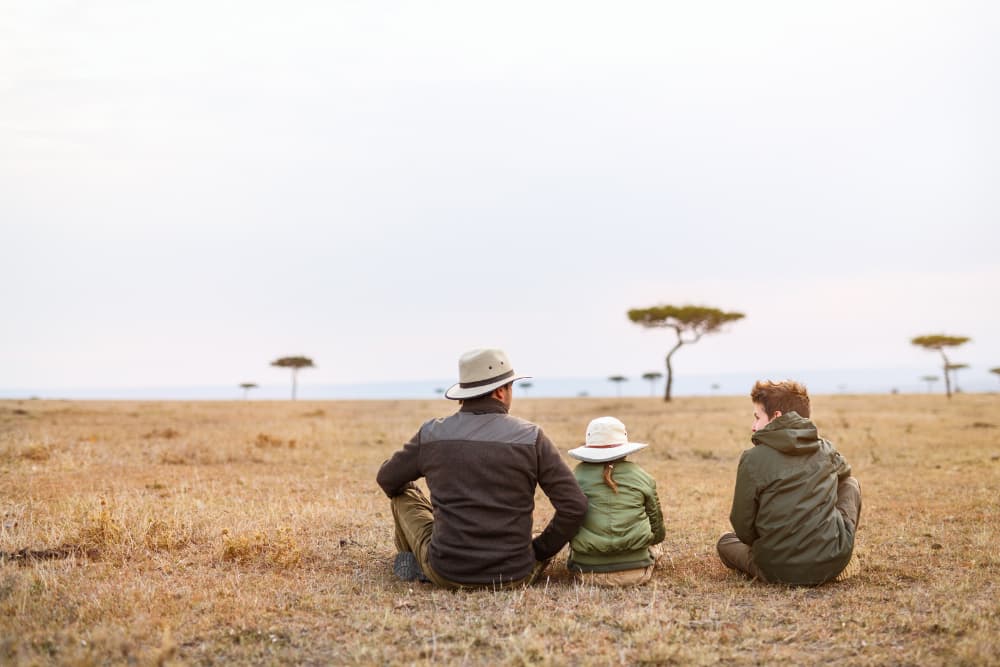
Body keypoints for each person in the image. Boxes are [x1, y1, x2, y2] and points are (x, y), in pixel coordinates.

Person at [376, 348, 588, 588]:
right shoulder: (532, 437)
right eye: (511, 387)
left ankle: (412, 563)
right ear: (500, 391)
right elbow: (575, 506)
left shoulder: (432, 433)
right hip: (516, 574)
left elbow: (387, 479)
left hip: (446, 572)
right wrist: (538, 550)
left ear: (465, 392)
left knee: (404, 493)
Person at [717, 380, 862, 585]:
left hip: (775, 569)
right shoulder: (826, 449)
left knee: (725, 542)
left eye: (757, 418)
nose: (753, 426)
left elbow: (742, 525)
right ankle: (836, 550)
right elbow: (845, 476)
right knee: (850, 484)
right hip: (832, 563)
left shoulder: (753, 458)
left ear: (776, 417)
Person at [565, 416, 665, 586]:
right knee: (657, 547)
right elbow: (657, 529)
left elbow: (566, 522)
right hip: (636, 571)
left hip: (587, 572)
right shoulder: (641, 476)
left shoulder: (575, 476)